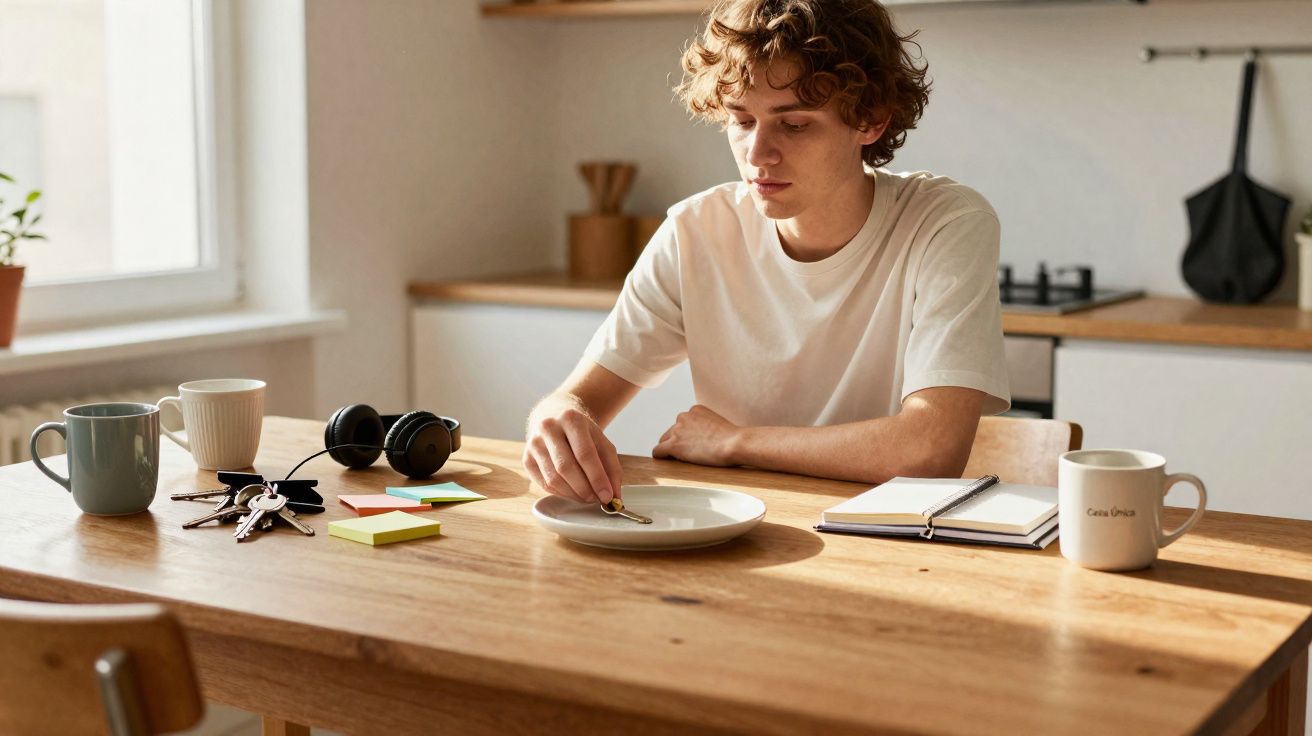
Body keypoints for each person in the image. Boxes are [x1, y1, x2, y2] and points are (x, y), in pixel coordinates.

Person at [523, 0, 1009, 505]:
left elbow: (931, 450)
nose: (757, 155)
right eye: (741, 120)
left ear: (871, 121)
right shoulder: (696, 230)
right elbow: (578, 398)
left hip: (885, 540)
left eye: (794, 124)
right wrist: (556, 418)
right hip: (736, 533)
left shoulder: (945, 222)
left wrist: (735, 441)